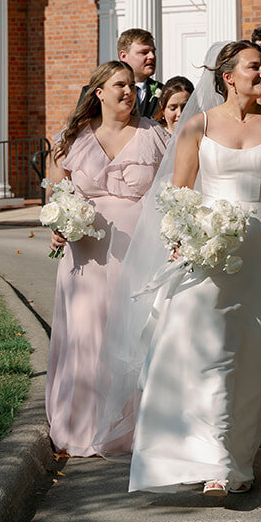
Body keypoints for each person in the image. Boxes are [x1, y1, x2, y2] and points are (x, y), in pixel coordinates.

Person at [101, 40, 261, 496]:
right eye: (254, 67)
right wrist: (178, 240)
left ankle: (231, 460)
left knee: (249, 355)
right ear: (228, 77)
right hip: (207, 252)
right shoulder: (196, 126)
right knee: (200, 349)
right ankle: (196, 456)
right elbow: (179, 194)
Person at [45, 60, 168, 457]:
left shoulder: (155, 136)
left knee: (133, 334)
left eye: (132, 85)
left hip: (138, 251)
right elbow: (56, 192)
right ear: (98, 92)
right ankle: (85, 423)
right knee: (88, 334)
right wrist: (58, 222)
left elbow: (175, 188)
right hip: (88, 256)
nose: (129, 92)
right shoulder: (71, 138)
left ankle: (132, 425)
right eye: (120, 85)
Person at [77, 28, 162, 120]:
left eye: (153, 52)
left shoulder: (164, 91)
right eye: (144, 52)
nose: (152, 56)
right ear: (123, 56)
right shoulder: (93, 93)